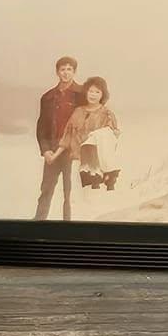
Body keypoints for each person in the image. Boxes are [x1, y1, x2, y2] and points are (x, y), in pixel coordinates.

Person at [34, 53, 87, 221]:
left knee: (70, 193)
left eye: (69, 69)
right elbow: (41, 126)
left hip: (73, 150)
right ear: (57, 72)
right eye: (62, 69)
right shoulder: (48, 97)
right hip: (53, 149)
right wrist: (46, 150)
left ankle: (68, 227)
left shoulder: (82, 95)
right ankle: (38, 224)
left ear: (74, 71)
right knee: (46, 190)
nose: (66, 73)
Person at [57, 76, 121, 191]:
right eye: (91, 91)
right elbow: (67, 135)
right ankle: (90, 173)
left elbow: (113, 137)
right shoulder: (78, 112)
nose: (93, 94)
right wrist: (55, 154)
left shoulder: (107, 114)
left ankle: (105, 175)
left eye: (97, 92)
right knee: (79, 198)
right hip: (77, 160)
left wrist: (95, 136)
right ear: (86, 93)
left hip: (100, 162)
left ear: (103, 95)